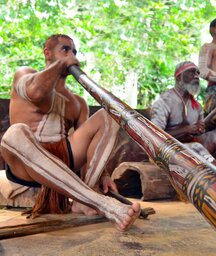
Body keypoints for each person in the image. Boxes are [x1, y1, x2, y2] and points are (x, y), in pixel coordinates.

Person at [0, 34, 140, 231]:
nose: (71, 55)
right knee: (14, 133)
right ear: (47, 53)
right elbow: (36, 93)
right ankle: (100, 203)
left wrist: (104, 174)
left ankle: (84, 199)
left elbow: (92, 144)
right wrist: (61, 65)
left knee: (109, 114)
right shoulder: (25, 75)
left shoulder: (78, 102)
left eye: (74, 52)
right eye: (65, 50)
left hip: (64, 157)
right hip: (24, 164)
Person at [150, 61, 216, 166]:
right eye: (192, 72)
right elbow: (153, 136)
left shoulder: (196, 106)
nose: (196, 76)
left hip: (192, 146)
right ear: (178, 77)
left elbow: (200, 132)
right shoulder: (164, 102)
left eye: (197, 73)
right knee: (197, 147)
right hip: (166, 151)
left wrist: (211, 124)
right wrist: (186, 130)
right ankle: (215, 177)